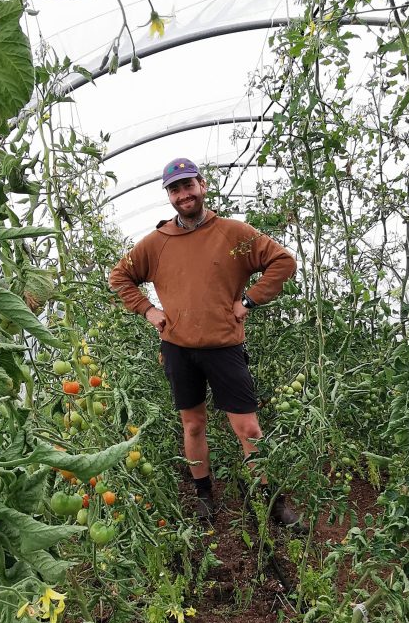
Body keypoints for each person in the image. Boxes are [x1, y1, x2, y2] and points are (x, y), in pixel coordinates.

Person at [109, 157, 302, 526]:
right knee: (193, 425)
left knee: (248, 428)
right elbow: (120, 277)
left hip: (224, 347)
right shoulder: (156, 242)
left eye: (188, 185)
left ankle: (273, 501)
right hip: (179, 348)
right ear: (169, 195)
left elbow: (282, 261)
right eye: (175, 189)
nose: (183, 195)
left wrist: (248, 301)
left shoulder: (233, 233)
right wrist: (149, 310)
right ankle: (203, 496)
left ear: (203, 186)